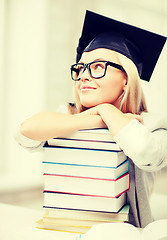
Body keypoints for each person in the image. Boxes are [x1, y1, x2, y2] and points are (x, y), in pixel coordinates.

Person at [15, 10, 167, 228]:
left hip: (124, 232)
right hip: (66, 227)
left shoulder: (153, 125)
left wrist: (107, 110)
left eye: (97, 67)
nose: (83, 75)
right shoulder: (68, 115)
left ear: (126, 78)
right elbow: (24, 132)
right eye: (80, 68)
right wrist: (92, 119)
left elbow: (145, 152)